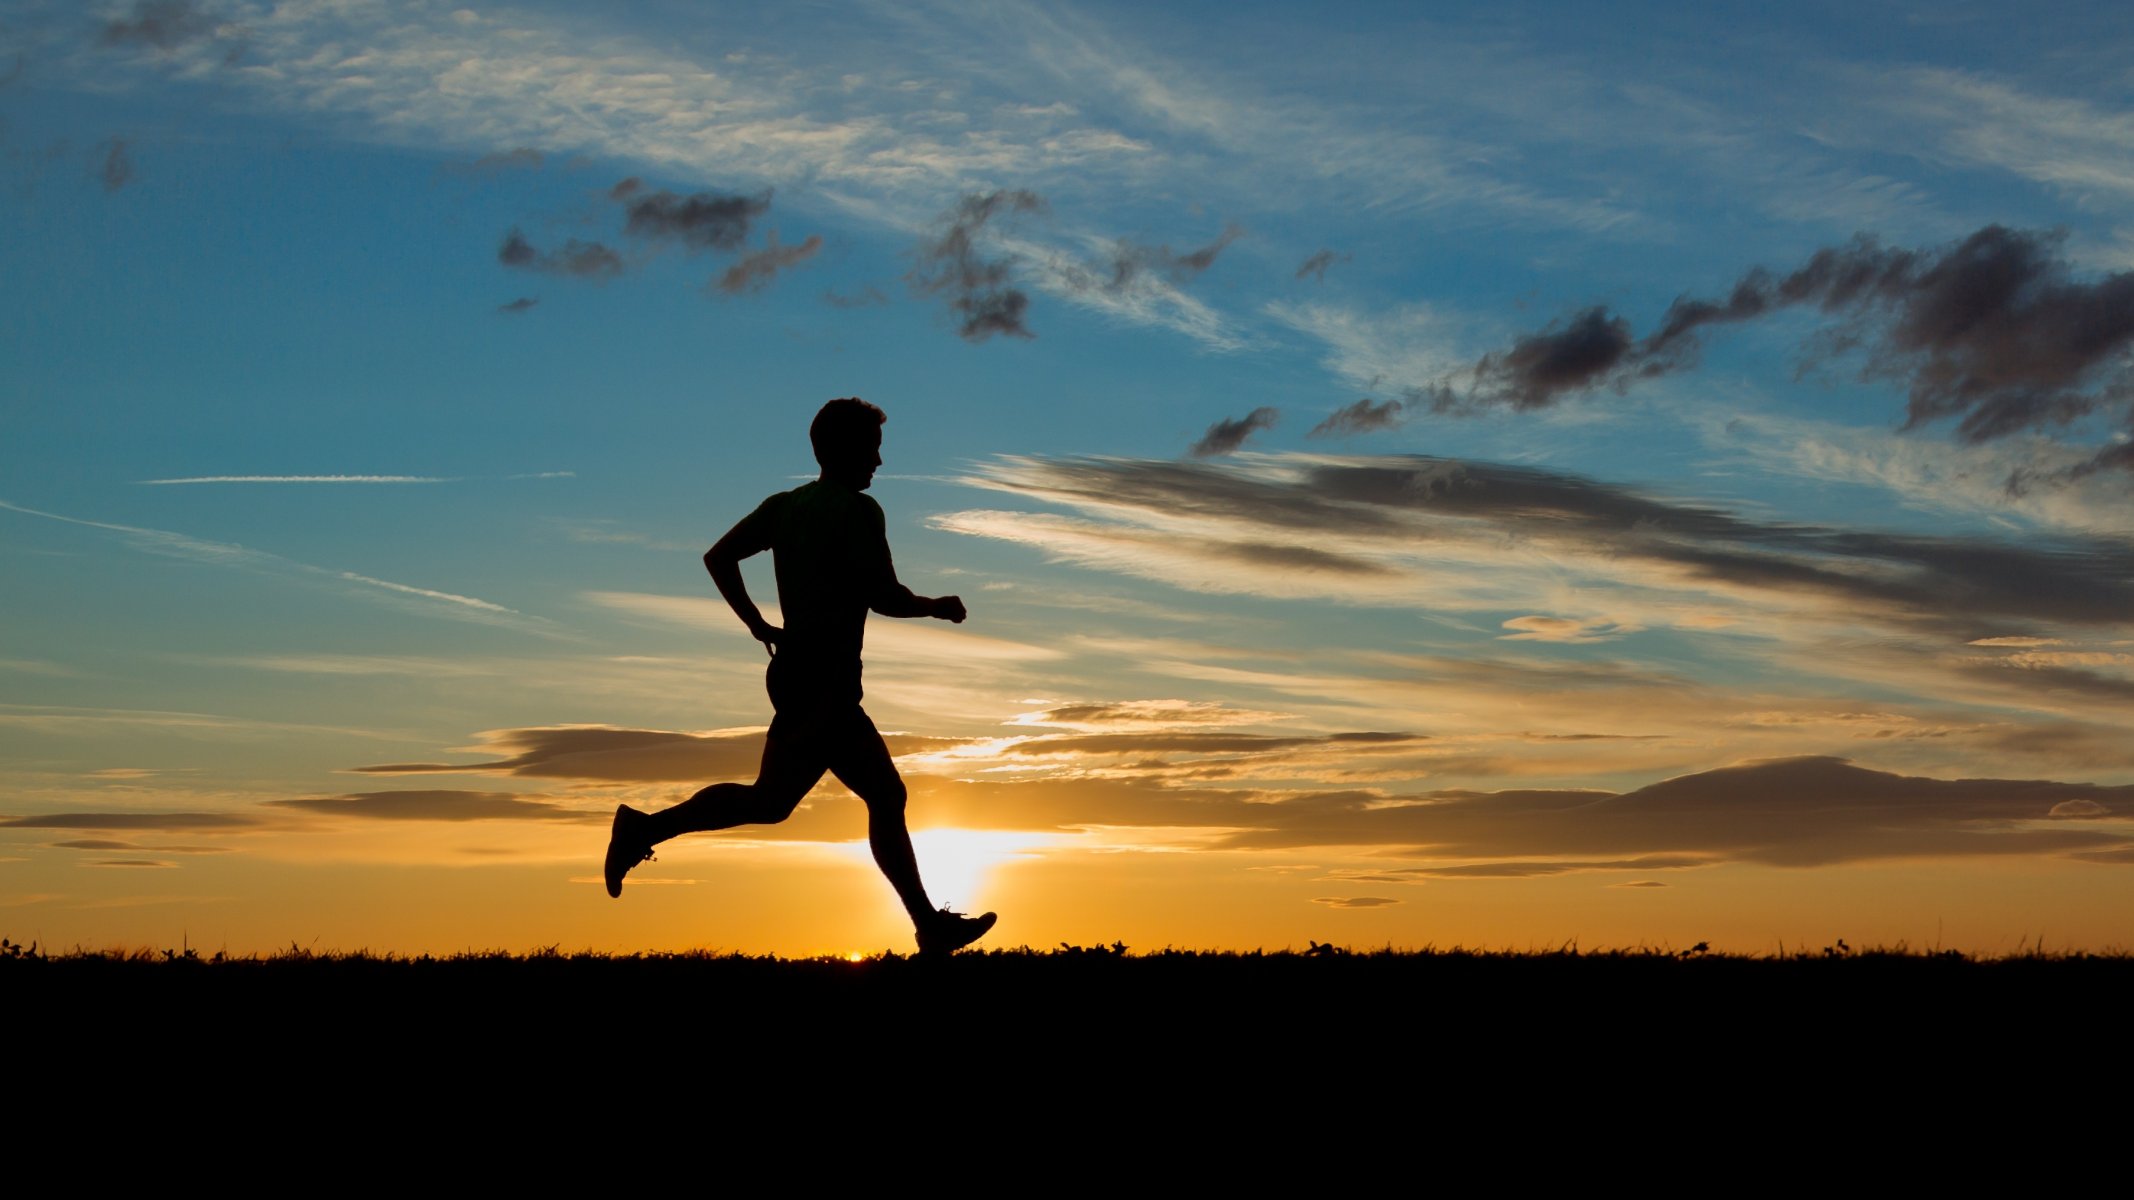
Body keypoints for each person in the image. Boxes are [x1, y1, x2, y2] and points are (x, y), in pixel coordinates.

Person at [603, 397, 997, 955]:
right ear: (844, 450)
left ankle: (642, 830)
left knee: (778, 801)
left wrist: (758, 624)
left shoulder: (783, 507)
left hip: (797, 672)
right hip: (823, 680)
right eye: (873, 449)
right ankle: (930, 927)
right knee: (879, 795)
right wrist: (936, 606)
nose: (880, 462)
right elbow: (883, 596)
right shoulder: (860, 512)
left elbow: (719, 557)